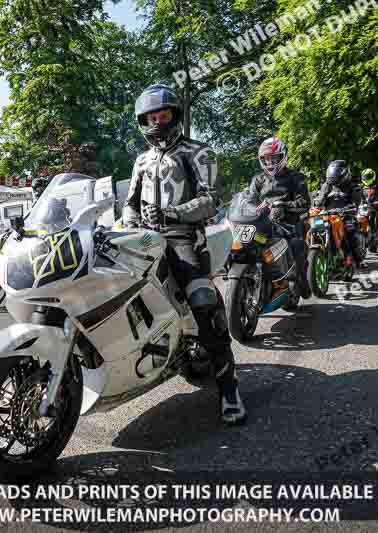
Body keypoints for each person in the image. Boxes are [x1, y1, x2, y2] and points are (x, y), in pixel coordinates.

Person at [124, 83, 246, 425]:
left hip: (184, 238)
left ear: (175, 116)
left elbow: (210, 201)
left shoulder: (198, 152)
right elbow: (130, 204)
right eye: (152, 116)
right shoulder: (140, 160)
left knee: (205, 303)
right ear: (143, 120)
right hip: (143, 239)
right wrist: (132, 223)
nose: (158, 122)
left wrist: (173, 214)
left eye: (164, 115)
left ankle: (229, 388)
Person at [245, 136, 312, 298]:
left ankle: (302, 282)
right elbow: (249, 201)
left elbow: (304, 202)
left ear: (283, 156)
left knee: (297, 246)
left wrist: (284, 205)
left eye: (274, 158)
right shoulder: (258, 179)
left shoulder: (296, 177)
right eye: (266, 159)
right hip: (264, 224)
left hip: (289, 225)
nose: (270, 162)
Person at [313, 160, 362, 267]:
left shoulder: (353, 186)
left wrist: (351, 207)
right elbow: (319, 200)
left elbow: (356, 202)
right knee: (314, 228)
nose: (333, 179)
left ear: (344, 174)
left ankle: (355, 258)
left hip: (346, 214)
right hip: (328, 215)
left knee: (349, 231)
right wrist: (315, 203)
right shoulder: (327, 185)